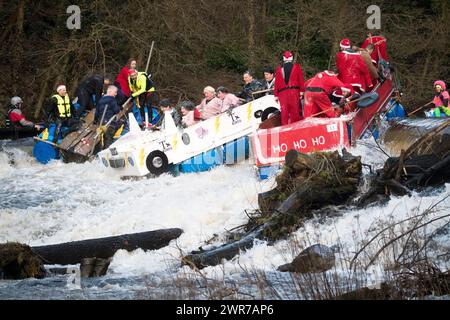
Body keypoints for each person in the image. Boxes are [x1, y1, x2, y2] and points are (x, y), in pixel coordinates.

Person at [273, 51, 305, 125]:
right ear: (292, 58)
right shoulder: (297, 67)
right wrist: (301, 91)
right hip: (294, 91)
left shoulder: (279, 69)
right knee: (295, 111)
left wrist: (276, 95)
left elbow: (276, 83)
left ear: (284, 58)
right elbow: (301, 80)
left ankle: (285, 131)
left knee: (284, 113)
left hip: (282, 93)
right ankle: (296, 129)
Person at [94, 85, 122, 149]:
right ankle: (107, 152)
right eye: (115, 92)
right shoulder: (112, 99)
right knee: (108, 138)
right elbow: (116, 110)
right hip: (109, 121)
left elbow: (96, 112)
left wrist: (95, 121)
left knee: (102, 138)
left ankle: (101, 151)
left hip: (100, 121)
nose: (116, 94)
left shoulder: (101, 100)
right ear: (110, 91)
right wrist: (119, 107)